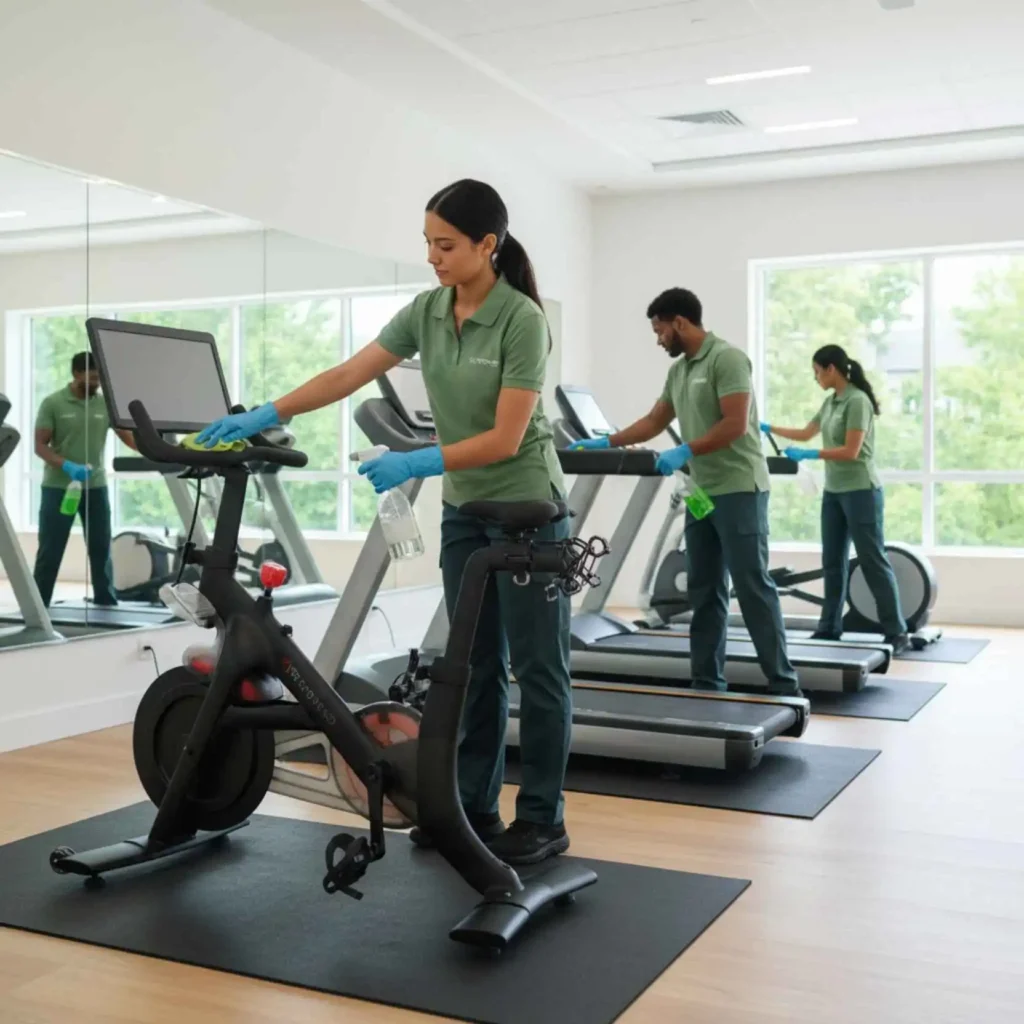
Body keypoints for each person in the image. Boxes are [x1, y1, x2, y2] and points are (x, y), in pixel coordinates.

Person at [196, 179, 572, 865]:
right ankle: (474, 808)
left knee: (539, 669)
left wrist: (416, 461)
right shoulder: (428, 311)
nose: (432, 256)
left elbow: (508, 440)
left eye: (446, 244)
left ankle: (544, 818)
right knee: (473, 665)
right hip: (466, 510)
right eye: (428, 242)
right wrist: (265, 413)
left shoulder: (523, 319)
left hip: (527, 509)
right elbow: (348, 374)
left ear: (488, 246)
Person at [572, 288, 800, 696]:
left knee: (751, 586)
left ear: (680, 323)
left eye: (660, 331)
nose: (659, 340)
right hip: (702, 494)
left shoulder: (727, 359)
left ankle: (784, 683)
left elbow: (734, 423)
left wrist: (686, 450)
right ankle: (707, 682)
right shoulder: (679, 371)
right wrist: (606, 443)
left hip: (738, 489)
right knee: (704, 588)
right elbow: (654, 420)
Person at [762, 344, 910, 655]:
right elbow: (805, 432)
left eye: (817, 372)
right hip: (834, 492)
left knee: (871, 560)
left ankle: (897, 631)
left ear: (831, 369)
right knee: (832, 562)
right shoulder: (831, 402)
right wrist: (767, 427)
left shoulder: (857, 401)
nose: (815, 378)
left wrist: (811, 454)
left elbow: (850, 451)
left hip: (861, 490)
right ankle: (829, 627)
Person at [34, 351, 137, 608]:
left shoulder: (104, 404)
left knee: (101, 548)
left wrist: (159, 450)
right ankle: (37, 606)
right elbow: (40, 446)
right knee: (51, 550)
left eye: (99, 379)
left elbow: (128, 437)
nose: (96, 383)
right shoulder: (53, 403)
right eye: (92, 377)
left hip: (96, 487)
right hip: (59, 487)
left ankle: (106, 603)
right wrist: (66, 465)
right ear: (76, 373)